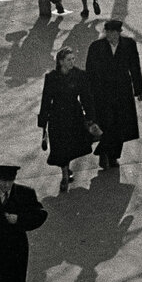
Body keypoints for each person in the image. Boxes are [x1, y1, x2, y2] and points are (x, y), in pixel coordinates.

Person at [85, 19, 142, 169]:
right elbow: (90, 72)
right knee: (107, 124)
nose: (110, 36)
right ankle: (104, 153)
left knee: (120, 125)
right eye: (108, 33)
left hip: (122, 91)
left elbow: (135, 67)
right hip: (102, 93)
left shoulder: (129, 45)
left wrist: (138, 89)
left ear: (119, 33)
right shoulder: (96, 47)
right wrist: (89, 93)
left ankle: (113, 156)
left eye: (113, 33)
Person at [38, 47, 98, 192]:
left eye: (73, 59)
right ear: (60, 62)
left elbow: (86, 97)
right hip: (57, 117)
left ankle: (67, 170)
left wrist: (91, 117)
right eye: (68, 60)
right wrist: (43, 123)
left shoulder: (79, 75)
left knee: (71, 145)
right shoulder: (51, 78)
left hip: (74, 116)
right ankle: (65, 175)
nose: (72, 62)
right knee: (60, 147)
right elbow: (46, 100)